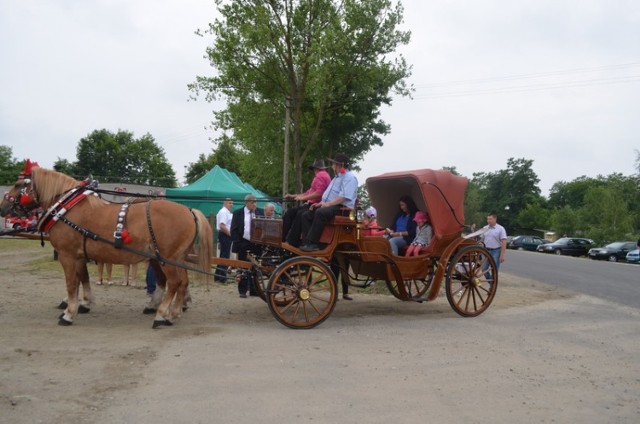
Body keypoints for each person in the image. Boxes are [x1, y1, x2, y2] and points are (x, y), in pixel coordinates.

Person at [299, 153, 358, 252]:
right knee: (306, 215)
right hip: (335, 206)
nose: (332, 166)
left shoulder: (349, 177)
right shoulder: (337, 177)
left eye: (334, 164)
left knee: (320, 212)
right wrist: (321, 203)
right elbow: (330, 196)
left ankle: (314, 243)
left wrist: (328, 204)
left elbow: (343, 197)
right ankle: (308, 242)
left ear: (340, 165)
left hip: (343, 209)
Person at [282, 159, 331, 246]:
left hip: (315, 205)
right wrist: (293, 196)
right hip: (312, 203)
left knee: (298, 213)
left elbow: (319, 193)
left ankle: (290, 241)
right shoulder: (322, 175)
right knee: (291, 212)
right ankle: (288, 239)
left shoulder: (320, 176)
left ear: (316, 168)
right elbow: (309, 192)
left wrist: (303, 198)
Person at [231, 194, 264, 297]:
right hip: (243, 243)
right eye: (252, 202)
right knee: (243, 267)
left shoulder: (260, 212)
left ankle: (254, 290)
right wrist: (238, 243)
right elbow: (234, 229)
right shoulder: (238, 213)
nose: (254, 204)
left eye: (255, 202)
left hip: (256, 244)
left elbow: (264, 226)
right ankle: (242, 290)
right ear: (246, 203)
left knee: (255, 268)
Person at [481, 212, 508, 276]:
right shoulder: (485, 228)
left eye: (490, 219)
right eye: (487, 219)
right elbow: (482, 240)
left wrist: (502, 255)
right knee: (484, 269)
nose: (488, 221)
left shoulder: (500, 229)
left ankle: (493, 284)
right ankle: (492, 284)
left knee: (494, 269)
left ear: (495, 219)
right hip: (485, 251)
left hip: (496, 251)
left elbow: (504, 241)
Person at [215, 198, 234, 282]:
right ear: (225, 203)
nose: (231, 204)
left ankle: (218, 276)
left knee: (223, 255)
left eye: (232, 203)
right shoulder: (223, 212)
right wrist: (231, 235)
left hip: (225, 234)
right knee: (225, 256)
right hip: (225, 234)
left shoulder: (227, 212)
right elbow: (222, 226)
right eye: (230, 203)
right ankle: (222, 277)